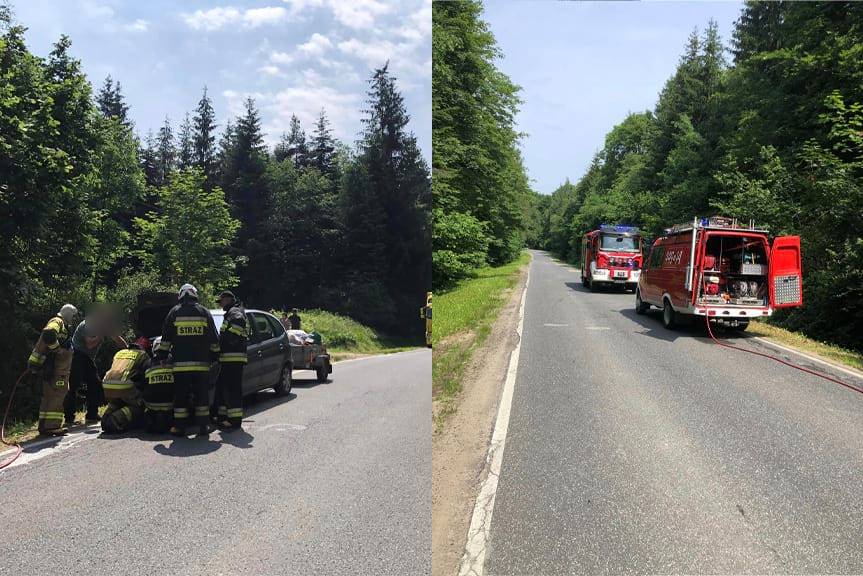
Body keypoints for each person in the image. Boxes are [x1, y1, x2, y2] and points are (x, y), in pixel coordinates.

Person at [155, 283, 219, 437]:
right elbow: (214, 339)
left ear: (181, 295)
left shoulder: (174, 313)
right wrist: (215, 357)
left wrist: (161, 357)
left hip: (180, 366)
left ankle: (179, 427)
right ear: (195, 295)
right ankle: (203, 426)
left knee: (180, 397)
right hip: (202, 366)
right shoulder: (204, 313)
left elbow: (166, 340)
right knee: (202, 396)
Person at [64, 311, 127, 427]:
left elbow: (117, 339)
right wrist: (101, 335)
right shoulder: (87, 325)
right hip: (76, 355)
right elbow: (90, 344)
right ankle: (69, 418)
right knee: (73, 385)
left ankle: (92, 415)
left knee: (96, 384)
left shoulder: (104, 326)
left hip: (87, 358)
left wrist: (129, 349)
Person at [27, 304, 77, 436]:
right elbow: (48, 333)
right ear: (68, 314)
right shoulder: (58, 321)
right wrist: (57, 349)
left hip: (51, 368)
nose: (73, 319)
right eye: (73, 316)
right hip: (57, 369)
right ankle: (52, 426)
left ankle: (44, 425)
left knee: (48, 395)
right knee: (58, 394)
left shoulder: (60, 323)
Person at [214, 290, 248, 431]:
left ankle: (234, 421)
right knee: (222, 386)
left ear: (228, 299)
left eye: (221, 301)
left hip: (233, 357)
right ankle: (222, 417)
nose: (220, 304)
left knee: (233, 389)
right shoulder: (232, 312)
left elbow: (238, 325)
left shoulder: (235, 312)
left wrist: (227, 341)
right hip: (229, 358)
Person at [100, 340, 149, 434]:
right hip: (124, 385)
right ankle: (114, 420)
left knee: (118, 402)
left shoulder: (120, 353)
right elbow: (146, 375)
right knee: (139, 405)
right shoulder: (142, 354)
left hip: (106, 384)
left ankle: (106, 416)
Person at [144, 336, 174, 433]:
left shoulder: (148, 363)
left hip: (151, 405)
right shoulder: (174, 361)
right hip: (171, 404)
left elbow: (143, 384)